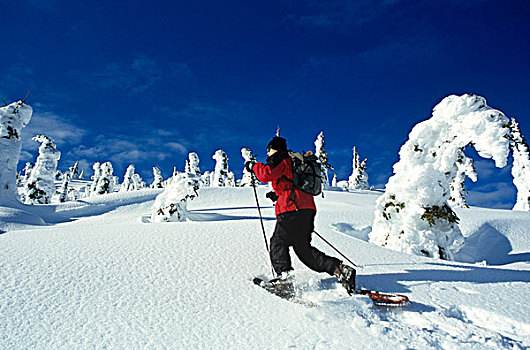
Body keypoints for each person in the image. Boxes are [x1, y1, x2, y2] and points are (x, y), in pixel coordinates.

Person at [246, 136, 356, 293]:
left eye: (268, 150)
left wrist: (253, 165)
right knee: (303, 249)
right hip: (306, 209)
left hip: (292, 209)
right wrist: (278, 196)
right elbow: (291, 183)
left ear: (273, 148)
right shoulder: (294, 161)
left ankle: (284, 280)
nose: (268, 153)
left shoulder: (281, 157)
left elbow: (266, 174)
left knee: (278, 242)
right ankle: (340, 269)